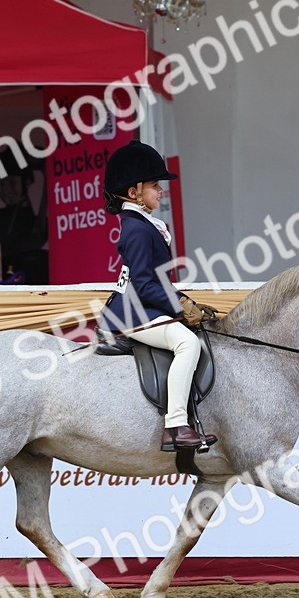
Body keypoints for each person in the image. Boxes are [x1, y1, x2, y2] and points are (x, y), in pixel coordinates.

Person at [99, 140, 217, 453]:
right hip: (132, 313)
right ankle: (176, 426)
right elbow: (142, 283)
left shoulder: (144, 223)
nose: (160, 190)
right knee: (187, 343)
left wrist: (182, 303)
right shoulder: (137, 229)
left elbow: (155, 280)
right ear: (133, 190)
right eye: (154, 185)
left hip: (144, 307)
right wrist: (179, 304)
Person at [0, 151, 48, 284]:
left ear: (26, 182)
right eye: (2, 184)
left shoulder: (38, 226)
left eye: (12, 182)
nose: (7, 190)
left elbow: (36, 239)